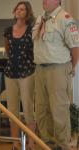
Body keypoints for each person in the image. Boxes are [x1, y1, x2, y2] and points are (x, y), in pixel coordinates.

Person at [32, 0, 79, 150]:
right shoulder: (40, 18)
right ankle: (47, 143)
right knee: (41, 109)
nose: (43, 1)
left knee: (59, 109)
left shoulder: (65, 19)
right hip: (40, 68)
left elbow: (75, 48)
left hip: (58, 68)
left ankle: (63, 145)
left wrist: (70, 67)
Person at [3, 1, 36, 150]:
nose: (19, 11)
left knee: (28, 108)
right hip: (10, 73)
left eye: (22, 9)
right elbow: (8, 49)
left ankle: (31, 142)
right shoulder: (8, 30)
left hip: (27, 72)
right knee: (12, 110)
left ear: (27, 13)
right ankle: (15, 142)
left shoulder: (31, 30)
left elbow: (34, 51)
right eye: (17, 8)